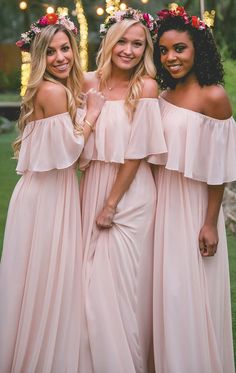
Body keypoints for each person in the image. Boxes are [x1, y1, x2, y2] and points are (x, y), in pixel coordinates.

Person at [0, 13, 105, 373]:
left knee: (40, 281)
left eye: (66, 49)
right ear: (40, 56)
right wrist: (92, 112)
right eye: (52, 52)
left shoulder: (56, 89)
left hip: (45, 193)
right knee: (46, 281)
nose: (61, 57)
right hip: (47, 199)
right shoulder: (53, 91)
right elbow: (72, 151)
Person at [78, 8, 167, 373]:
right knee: (86, 281)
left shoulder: (145, 86)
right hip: (94, 184)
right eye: (123, 42)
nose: (129, 50)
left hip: (129, 194)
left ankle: (126, 363)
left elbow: (137, 151)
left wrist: (111, 204)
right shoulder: (87, 83)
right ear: (110, 42)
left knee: (117, 286)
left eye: (138, 44)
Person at [149, 4, 236, 372]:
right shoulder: (162, 96)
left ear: (198, 47)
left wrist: (210, 222)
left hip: (193, 207)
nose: (171, 57)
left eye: (179, 49)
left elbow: (218, 169)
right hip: (159, 203)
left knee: (185, 293)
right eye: (164, 50)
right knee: (161, 294)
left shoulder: (213, 97)